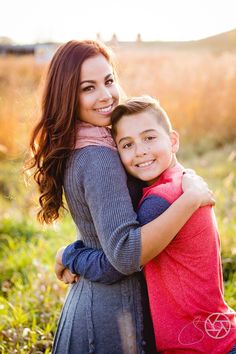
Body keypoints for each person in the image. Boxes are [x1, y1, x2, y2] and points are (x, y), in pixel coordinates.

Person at [27, 39, 214, 354]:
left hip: (104, 308)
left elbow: (102, 237)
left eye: (109, 80)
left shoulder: (98, 140)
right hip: (111, 322)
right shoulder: (99, 157)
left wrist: (70, 252)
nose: (105, 96)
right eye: (88, 88)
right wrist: (189, 200)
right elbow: (124, 254)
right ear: (67, 95)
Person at [56, 96, 236, 354]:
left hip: (203, 348)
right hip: (215, 336)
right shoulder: (180, 181)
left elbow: (116, 265)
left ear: (173, 140)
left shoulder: (160, 201)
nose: (140, 150)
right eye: (127, 144)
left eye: (149, 138)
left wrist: (67, 254)